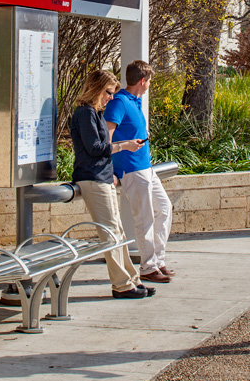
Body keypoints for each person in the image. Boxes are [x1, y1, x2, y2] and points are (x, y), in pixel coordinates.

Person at [70, 69, 154, 300]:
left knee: (117, 231)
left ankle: (130, 279)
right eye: (108, 92)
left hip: (103, 176)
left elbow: (100, 148)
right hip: (92, 177)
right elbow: (95, 148)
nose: (110, 97)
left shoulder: (94, 113)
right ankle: (121, 285)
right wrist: (124, 146)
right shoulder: (85, 113)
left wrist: (116, 163)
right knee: (109, 233)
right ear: (96, 89)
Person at [104, 60, 174, 283]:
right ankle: (148, 267)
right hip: (131, 169)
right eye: (149, 81)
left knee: (164, 208)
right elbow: (107, 136)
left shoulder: (135, 101)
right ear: (142, 81)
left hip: (146, 167)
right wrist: (109, 169)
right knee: (144, 218)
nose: (149, 85)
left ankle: (158, 260)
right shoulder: (119, 103)